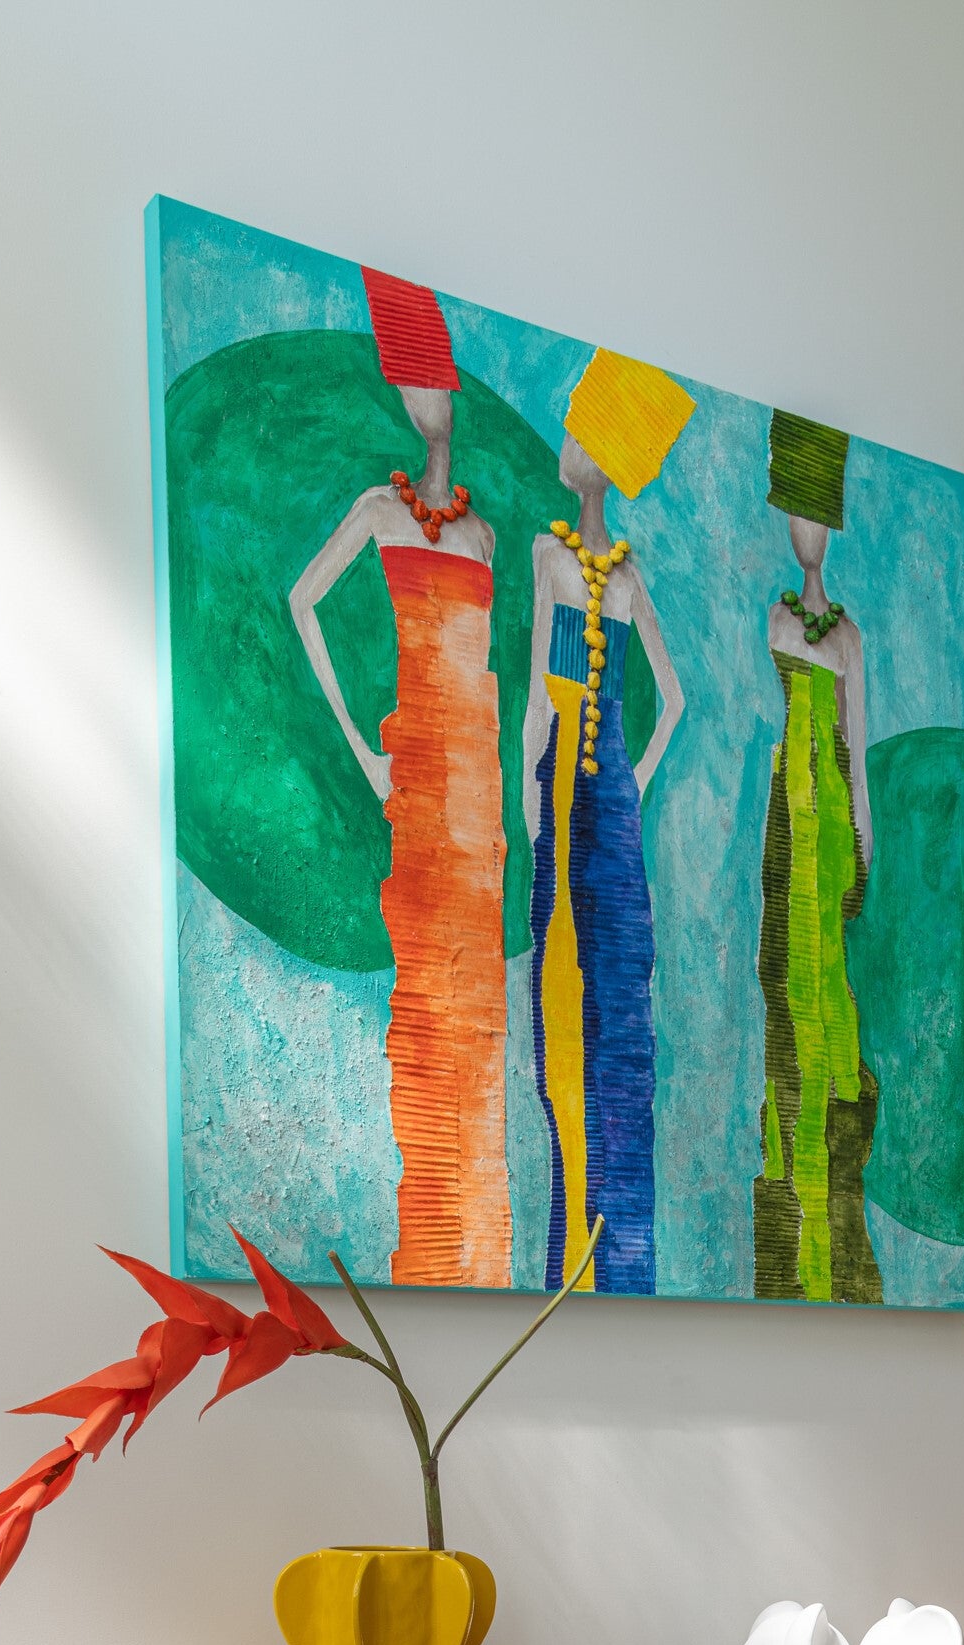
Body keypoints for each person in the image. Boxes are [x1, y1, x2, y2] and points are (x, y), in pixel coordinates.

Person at [289, 268, 509, 1287]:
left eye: (436, 382)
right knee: (429, 1010)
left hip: (479, 787)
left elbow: (495, 671)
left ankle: (483, 1251)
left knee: (483, 1020)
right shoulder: (381, 509)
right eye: (409, 383)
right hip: (417, 769)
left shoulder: (483, 534)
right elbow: (304, 602)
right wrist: (359, 747)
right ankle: (436, 1253)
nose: (427, 402)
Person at [521, 349, 692, 1296]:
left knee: (605, 1028)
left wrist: (550, 794)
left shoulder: (585, 567)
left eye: (578, 429)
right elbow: (667, 705)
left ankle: (606, 1268)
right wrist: (623, 780)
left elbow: (550, 709)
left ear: (599, 454)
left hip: (581, 797)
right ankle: (583, 1269)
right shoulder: (574, 563)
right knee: (574, 1026)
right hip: (590, 796)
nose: (566, 442)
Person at [753, 410, 882, 1304]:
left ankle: (834, 1221)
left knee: (829, 999)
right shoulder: (778, 618)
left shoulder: (846, 637)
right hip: (787, 823)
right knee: (785, 989)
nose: (808, 532)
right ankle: (788, 1229)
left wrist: (865, 848)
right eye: (796, 514)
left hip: (830, 821)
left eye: (819, 518)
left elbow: (858, 752)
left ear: (831, 529)